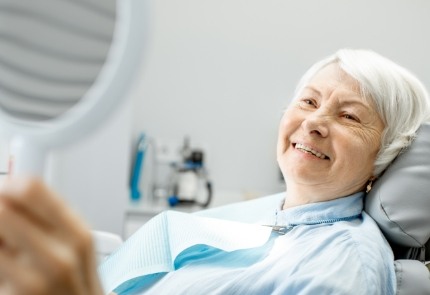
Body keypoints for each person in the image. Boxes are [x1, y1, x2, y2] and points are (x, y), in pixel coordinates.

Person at [0, 48, 429, 295]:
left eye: (350, 117)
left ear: (383, 157)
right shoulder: (276, 214)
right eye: (309, 101)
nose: (314, 123)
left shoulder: (343, 264)